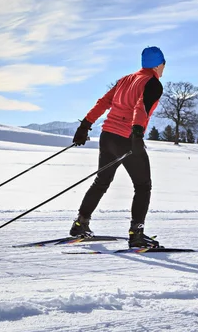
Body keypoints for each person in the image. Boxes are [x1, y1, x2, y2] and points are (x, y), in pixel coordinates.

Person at [70, 46, 165, 248]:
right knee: (143, 186)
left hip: (107, 137)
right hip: (126, 138)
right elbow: (141, 107)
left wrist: (85, 125)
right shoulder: (153, 83)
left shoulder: (125, 80)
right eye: (164, 64)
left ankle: (80, 223)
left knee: (101, 182)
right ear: (159, 65)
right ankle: (136, 234)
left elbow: (104, 102)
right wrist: (137, 134)